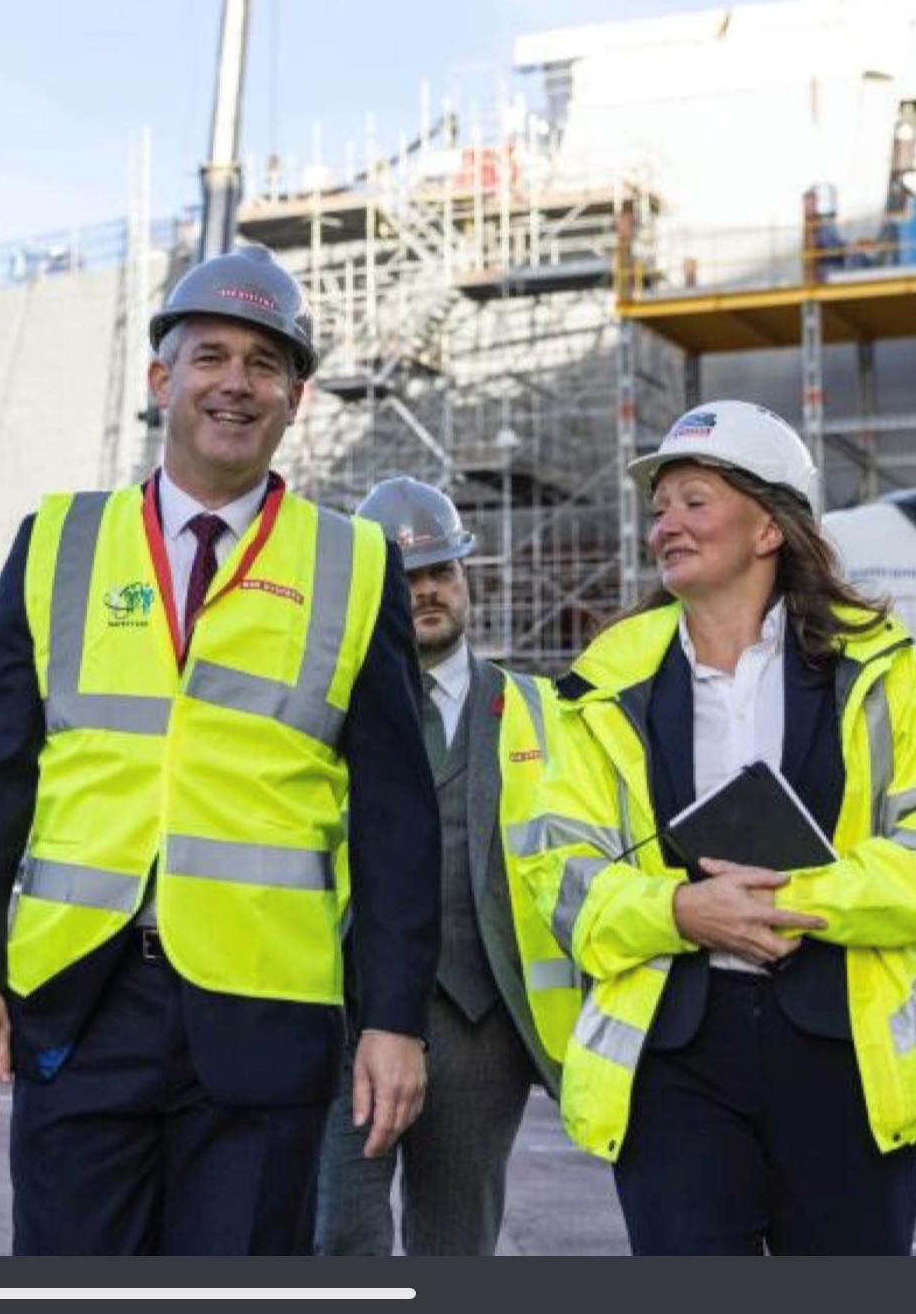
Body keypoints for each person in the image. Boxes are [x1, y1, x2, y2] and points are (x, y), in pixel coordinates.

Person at [0, 244, 441, 1255]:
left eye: (265, 364)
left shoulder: (355, 564)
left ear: (296, 399)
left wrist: (394, 1018)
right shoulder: (57, 543)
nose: (235, 384)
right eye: (211, 356)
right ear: (163, 379)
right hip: (81, 1000)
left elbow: (396, 814)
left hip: (265, 1014)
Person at [523, 400, 916, 1255]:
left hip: (846, 1055)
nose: (666, 522)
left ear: (770, 527)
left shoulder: (891, 674)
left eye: (694, 500)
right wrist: (682, 913)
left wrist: (790, 898)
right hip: (677, 1056)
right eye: (660, 506)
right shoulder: (598, 688)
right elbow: (555, 871)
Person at [315, 475, 571, 1256]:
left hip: (477, 1023)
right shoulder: (325, 707)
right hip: (348, 1014)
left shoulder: (537, 708)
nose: (426, 592)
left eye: (440, 572)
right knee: (341, 1238)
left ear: (465, 579)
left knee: (458, 1246)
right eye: (404, 579)